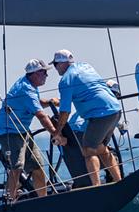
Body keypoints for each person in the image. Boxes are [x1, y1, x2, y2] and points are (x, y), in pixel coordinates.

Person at [50, 49, 122, 186]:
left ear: (61, 64)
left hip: (100, 115)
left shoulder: (65, 80)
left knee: (88, 150)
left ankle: (96, 187)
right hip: (115, 109)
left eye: (55, 65)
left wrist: (57, 132)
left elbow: (65, 112)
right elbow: (88, 89)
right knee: (100, 147)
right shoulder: (86, 66)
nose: (55, 68)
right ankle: (119, 182)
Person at [0, 59, 60, 201]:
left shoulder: (29, 84)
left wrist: (49, 102)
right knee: (17, 166)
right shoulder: (26, 90)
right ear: (34, 74)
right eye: (44, 72)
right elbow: (41, 115)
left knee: (37, 165)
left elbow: (36, 102)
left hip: (22, 132)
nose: (46, 76)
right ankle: (10, 200)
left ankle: (44, 199)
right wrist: (56, 133)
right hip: (8, 132)